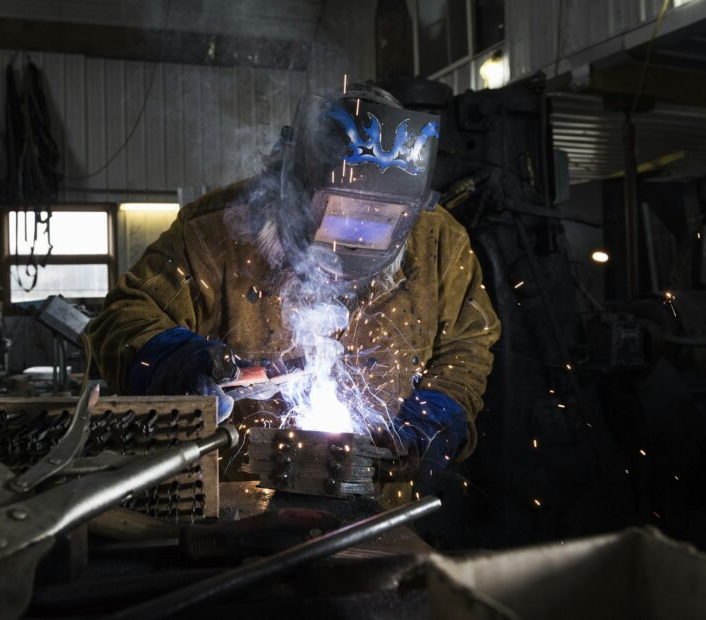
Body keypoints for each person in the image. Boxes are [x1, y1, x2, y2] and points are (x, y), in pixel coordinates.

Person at [87, 83, 500, 482]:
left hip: (377, 502)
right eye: (342, 211)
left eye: (381, 217)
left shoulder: (439, 243)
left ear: (409, 213)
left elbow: (466, 347)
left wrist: (430, 420)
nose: (357, 235)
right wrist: (173, 362)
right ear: (297, 191)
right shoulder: (213, 234)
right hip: (240, 498)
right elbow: (120, 319)